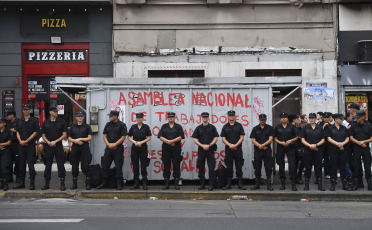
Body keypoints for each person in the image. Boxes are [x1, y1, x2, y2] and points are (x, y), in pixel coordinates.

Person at [97, 110, 127, 190]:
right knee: (105, 166)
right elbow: (105, 136)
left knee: (118, 166)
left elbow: (123, 137)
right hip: (108, 148)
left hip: (118, 149)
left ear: (116, 116)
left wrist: (114, 144)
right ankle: (104, 182)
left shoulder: (122, 125)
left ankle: (119, 184)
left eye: (111, 116)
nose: (109, 117)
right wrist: (109, 145)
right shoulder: (108, 125)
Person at [13, 105, 40, 190]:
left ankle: (32, 183)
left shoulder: (34, 120)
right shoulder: (19, 121)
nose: (25, 111)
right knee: (21, 165)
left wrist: (26, 141)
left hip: (30, 145)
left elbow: (35, 132)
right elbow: (17, 132)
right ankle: (21, 183)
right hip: (21, 145)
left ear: (30, 110)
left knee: (31, 165)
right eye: (24, 109)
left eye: (27, 109)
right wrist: (20, 141)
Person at [41, 107, 68, 191]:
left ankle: (62, 184)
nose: (56, 113)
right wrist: (48, 142)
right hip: (48, 146)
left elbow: (64, 135)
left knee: (60, 165)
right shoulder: (46, 122)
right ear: (50, 112)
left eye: (57, 111)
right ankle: (46, 184)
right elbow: (43, 135)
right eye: (55, 111)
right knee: (48, 165)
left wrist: (55, 141)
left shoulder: (62, 122)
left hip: (58, 146)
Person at [192, 112, 219, 191]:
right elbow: (195, 139)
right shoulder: (198, 128)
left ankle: (211, 184)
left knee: (211, 167)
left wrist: (209, 145)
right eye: (204, 117)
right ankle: (202, 184)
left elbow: (216, 138)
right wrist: (202, 145)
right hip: (201, 150)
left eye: (206, 117)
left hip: (210, 149)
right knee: (201, 167)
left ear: (208, 118)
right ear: (201, 118)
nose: (205, 118)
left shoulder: (212, 127)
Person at [158, 112, 185, 190]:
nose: (171, 118)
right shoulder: (164, 126)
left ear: (174, 117)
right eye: (169, 117)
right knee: (166, 165)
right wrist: (168, 142)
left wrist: (172, 141)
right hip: (166, 148)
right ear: (167, 118)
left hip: (176, 148)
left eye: (172, 117)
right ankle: (167, 184)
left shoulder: (178, 126)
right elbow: (160, 136)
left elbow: (180, 136)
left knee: (176, 165)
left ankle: (176, 184)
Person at [220, 110, 245, 190]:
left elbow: (242, 137)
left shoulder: (239, 126)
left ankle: (240, 184)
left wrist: (235, 145)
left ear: (235, 116)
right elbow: (223, 139)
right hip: (229, 150)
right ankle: (228, 184)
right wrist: (230, 145)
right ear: (228, 116)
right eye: (230, 115)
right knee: (229, 167)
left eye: (232, 115)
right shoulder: (225, 126)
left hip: (238, 149)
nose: (231, 116)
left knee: (239, 167)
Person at [300, 113, 326, 191]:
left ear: (315, 119)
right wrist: (310, 146)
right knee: (308, 168)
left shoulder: (320, 128)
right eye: (310, 118)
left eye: (313, 118)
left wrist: (316, 145)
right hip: (308, 150)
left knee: (318, 168)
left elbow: (323, 139)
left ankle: (320, 185)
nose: (311, 119)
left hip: (318, 150)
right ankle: (306, 185)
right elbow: (302, 139)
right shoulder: (305, 128)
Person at [68, 111, 93, 190]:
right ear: (76, 118)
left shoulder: (87, 126)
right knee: (74, 166)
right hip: (75, 147)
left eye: (81, 116)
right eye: (78, 116)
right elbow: (69, 137)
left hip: (84, 146)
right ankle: (74, 184)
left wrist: (80, 139)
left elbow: (90, 138)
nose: (80, 118)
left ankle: (88, 184)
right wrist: (75, 141)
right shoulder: (73, 127)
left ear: (83, 117)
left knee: (85, 166)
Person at [274, 112, 299, 191]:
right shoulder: (277, 127)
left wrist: (290, 141)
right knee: (281, 166)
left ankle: (293, 184)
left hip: (290, 147)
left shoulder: (291, 127)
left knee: (292, 165)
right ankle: (282, 183)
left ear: (287, 119)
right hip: (280, 147)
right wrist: (280, 142)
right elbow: (274, 137)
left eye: (285, 117)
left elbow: (297, 137)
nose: (284, 119)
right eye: (282, 117)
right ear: (280, 119)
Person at [325, 113, 350, 191]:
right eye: (341, 119)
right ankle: (333, 184)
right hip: (333, 150)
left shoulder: (344, 128)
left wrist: (342, 144)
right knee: (333, 167)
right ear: (336, 119)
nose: (342, 120)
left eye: (343, 119)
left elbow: (347, 138)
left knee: (343, 168)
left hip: (343, 150)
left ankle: (344, 184)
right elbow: (329, 138)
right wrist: (338, 144)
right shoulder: (329, 128)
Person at [250, 114, 275, 191]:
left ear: (266, 120)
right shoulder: (255, 129)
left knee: (268, 167)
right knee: (257, 167)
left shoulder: (270, 128)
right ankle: (257, 184)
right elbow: (253, 139)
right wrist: (259, 146)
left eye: (264, 119)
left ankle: (269, 184)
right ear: (259, 120)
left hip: (267, 150)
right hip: (258, 150)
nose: (262, 121)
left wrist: (263, 145)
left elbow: (271, 139)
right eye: (261, 120)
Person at [127, 112, 152, 190]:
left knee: (143, 166)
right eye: (137, 118)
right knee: (135, 166)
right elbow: (129, 136)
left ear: (142, 118)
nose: (139, 119)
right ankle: (136, 183)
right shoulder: (133, 127)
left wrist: (141, 142)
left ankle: (144, 183)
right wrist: (134, 142)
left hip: (143, 147)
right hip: (135, 148)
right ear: (136, 118)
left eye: (140, 118)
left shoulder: (146, 127)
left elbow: (149, 137)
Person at [349, 110, 372, 191]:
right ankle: (358, 183)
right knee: (356, 166)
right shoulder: (354, 125)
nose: (357, 119)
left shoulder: (368, 125)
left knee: (367, 166)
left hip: (365, 148)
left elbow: (371, 138)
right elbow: (351, 137)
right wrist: (359, 143)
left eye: (358, 118)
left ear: (363, 117)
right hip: (356, 148)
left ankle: (369, 183)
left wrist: (364, 142)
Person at [5, 110, 20, 183]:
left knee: (17, 161)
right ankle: (9, 177)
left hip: (16, 144)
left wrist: (12, 130)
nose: (6, 117)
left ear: (12, 115)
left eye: (8, 115)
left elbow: (17, 130)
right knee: (8, 161)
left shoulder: (18, 122)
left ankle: (18, 177)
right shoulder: (6, 122)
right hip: (8, 144)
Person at [0, 118, 12, 191]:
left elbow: (9, 142)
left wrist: (0, 144)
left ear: (4, 123)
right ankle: (1, 183)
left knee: (4, 167)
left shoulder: (8, 131)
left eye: (1, 123)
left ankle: (5, 184)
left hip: (5, 151)